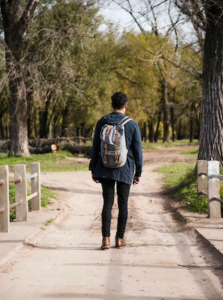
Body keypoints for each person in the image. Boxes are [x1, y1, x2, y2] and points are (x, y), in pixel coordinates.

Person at [89, 92, 143, 250]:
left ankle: (105, 239)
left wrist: (93, 167)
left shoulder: (102, 121)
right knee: (123, 204)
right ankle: (119, 238)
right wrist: (138, 172)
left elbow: (95, 147)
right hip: (125, 169)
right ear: (126, 105)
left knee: (107, 203)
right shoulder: (132, 124)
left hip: (104, 168)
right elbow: (137, 150)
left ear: (112, 105)